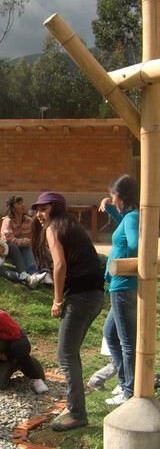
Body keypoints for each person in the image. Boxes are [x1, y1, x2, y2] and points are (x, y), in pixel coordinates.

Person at [30, 192, 104, 432]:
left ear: (56, 209)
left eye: (44, 208)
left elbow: (60, 265)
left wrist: (57, 300)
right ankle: (75, 406)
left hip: (80, 297)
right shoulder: (71, 226)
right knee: (71, 353)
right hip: (96, 296)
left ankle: (78, 414)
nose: (39, 214)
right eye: (37, 209)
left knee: (65, 355)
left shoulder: (54, 228)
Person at [98, 174, 139, 406]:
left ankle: (129, 392)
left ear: (121, 196)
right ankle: (125, 383)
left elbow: (134, 244)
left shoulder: (133, 217)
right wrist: (111, 209)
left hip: (124, 285)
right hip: (119, 286)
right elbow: (124, 227)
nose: (111, 199)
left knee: (126, 341)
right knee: (110, 334)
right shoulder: (129, 216)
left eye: (113, 195)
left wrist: (123, 262)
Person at [1, 195, 52, 284]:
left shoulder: (28, 220)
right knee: (27, 246)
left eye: (22, 203)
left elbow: (35, 235)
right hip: (11, 249)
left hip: (27, 246)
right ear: (12, 208)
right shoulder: (8, 221)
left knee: (40, 244)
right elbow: (9, 239)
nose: (22, 205)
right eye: (18, 203)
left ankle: (45, 272)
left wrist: (35, 242)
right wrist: (27, 242)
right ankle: (34, 273)